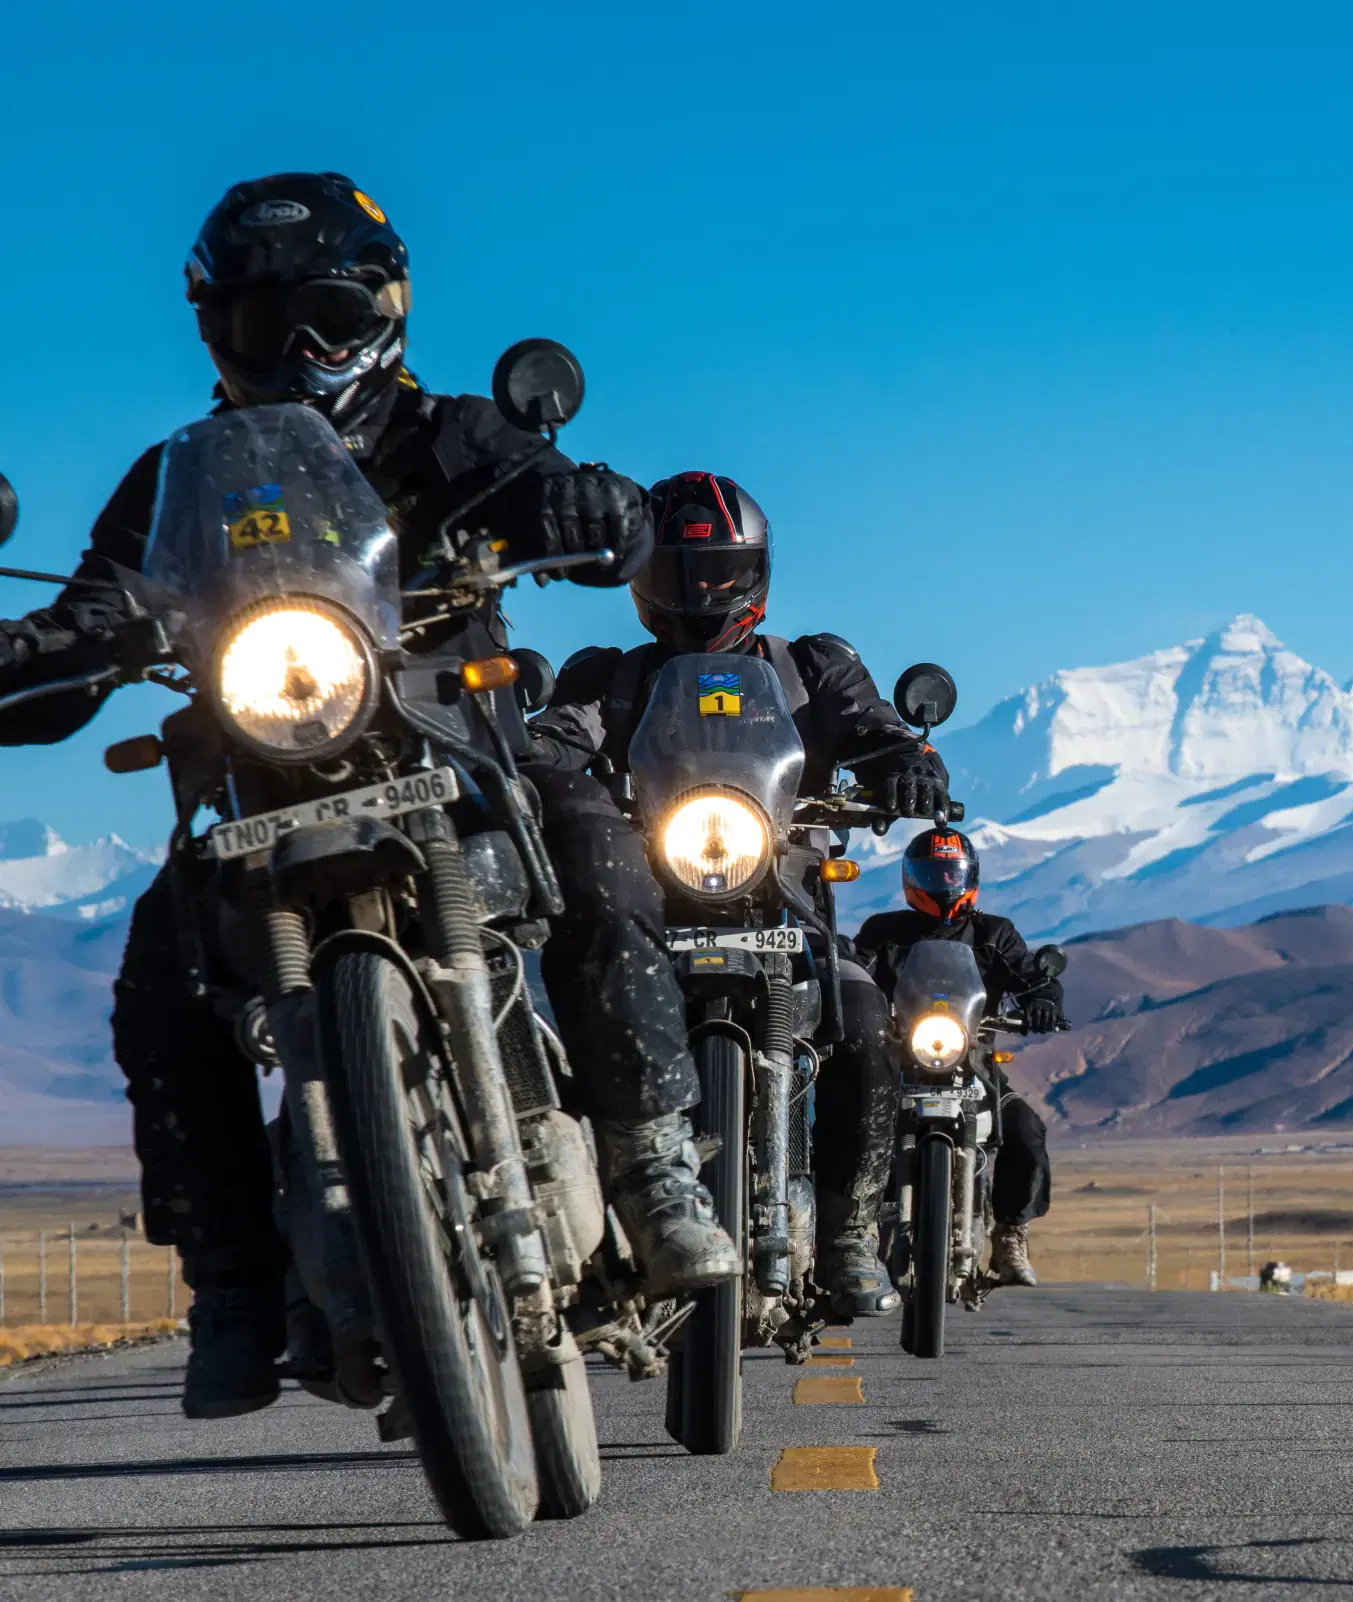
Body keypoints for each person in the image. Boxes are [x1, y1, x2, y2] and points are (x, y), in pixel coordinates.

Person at [0, 172, 735, 1420]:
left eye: (325, 316)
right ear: (211, 328)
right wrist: (43, 652)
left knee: (604, 847)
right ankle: (232, 1283)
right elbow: (99, 602)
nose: (292, 351)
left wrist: (587, 501)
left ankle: (655, 1164)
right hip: (259, 766)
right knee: (160, 974)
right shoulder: (178, 478)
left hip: (463, 737)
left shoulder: (448, 433)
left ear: (387, 309)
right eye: (253, 322)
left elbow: (556, 489)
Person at [525, 470, 950, 1317]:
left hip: (787, 901)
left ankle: (847, 1237)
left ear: (754, 572)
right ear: (644, 581)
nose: (703, 591)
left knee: (867, 1029)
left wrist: (907, 764)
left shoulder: (809, 669)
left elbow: (873, 728)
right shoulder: (610, 676)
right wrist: (535, 763)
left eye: (720, 571)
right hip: (654, 902)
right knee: (561, 1025)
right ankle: (583, 1236)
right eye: (682, 575)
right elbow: (557, 739)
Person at [852, 825, 1062, 1287]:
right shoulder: (884, 932)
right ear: (911, 878)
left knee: (1026, 1129)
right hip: (897, 1063)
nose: (944, 884)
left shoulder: (994, 934)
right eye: (933, 873)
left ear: (970, 877)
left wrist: (1043, 999)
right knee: (849, 1123)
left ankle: (1010, 1233)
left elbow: (1030, 976)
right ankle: (850, 1232)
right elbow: (854, 970)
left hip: (975, 1066)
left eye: (952, 873)